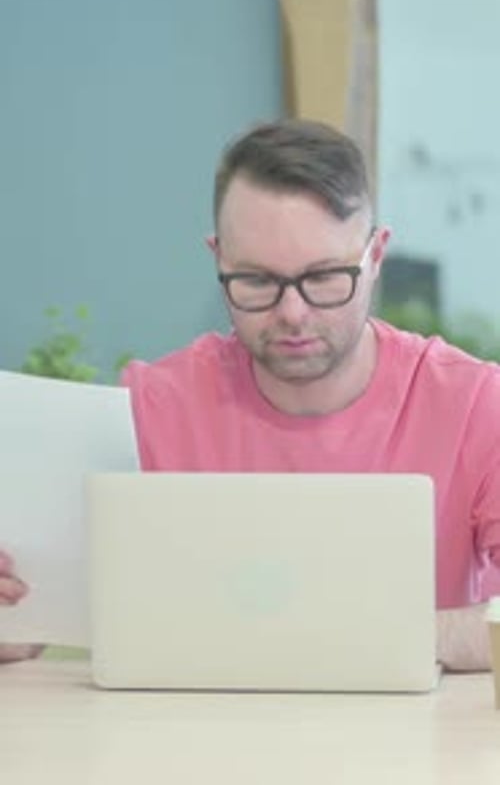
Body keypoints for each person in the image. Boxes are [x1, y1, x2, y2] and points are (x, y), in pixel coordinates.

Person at [2, 118, 500, 669]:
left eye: (325, 276)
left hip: (415, 724)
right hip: (198, 721)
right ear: (218, 258)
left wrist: (383, 636)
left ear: (376, 256)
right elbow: (41, 616)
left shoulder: (475, 403)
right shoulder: (147, 409)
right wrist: (17, 621)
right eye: (258, 280)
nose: (293, 312)